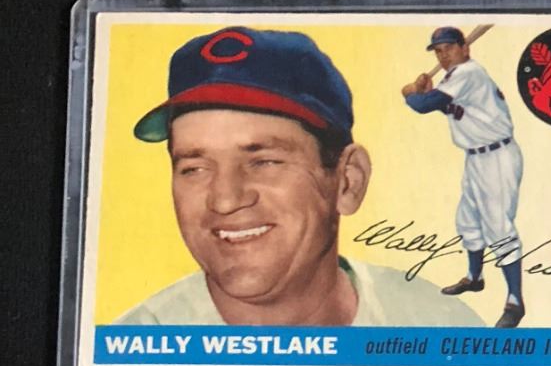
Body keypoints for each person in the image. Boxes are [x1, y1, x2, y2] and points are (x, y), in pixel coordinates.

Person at [120, 27, 482, 329]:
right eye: (194, 169)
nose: (225, 200)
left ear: (348, 181)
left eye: (264, 161)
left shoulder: (443, 328)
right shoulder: (131, 349)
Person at [402, 25, 526, 328]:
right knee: (468, 221)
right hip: (476, 158)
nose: (443, 55)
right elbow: (442, 102)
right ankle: (474, 277)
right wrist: (426, 90)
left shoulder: (469, 73)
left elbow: (425, 106)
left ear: (465, 48)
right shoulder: (454, 76)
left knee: (499, 228)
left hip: (497, 157)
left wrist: (411, 94)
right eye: (438, 51)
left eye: (449, 48)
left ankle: (515, 302)